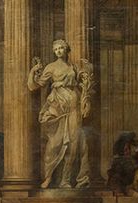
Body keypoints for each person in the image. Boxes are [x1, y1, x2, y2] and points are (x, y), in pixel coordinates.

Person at [28, 39, 94, 188]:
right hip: (57, 105)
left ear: (66, 50)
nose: (58, 51)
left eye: (61, 48)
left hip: (73, 105)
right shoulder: (51, 67)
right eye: (56, 49)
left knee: (73, 143)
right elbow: (35, 86)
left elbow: (84, 86)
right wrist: (33, 71)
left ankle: (65, 180)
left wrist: (85, 100)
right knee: (54, 144)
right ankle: (49, 176)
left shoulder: (74, 67)